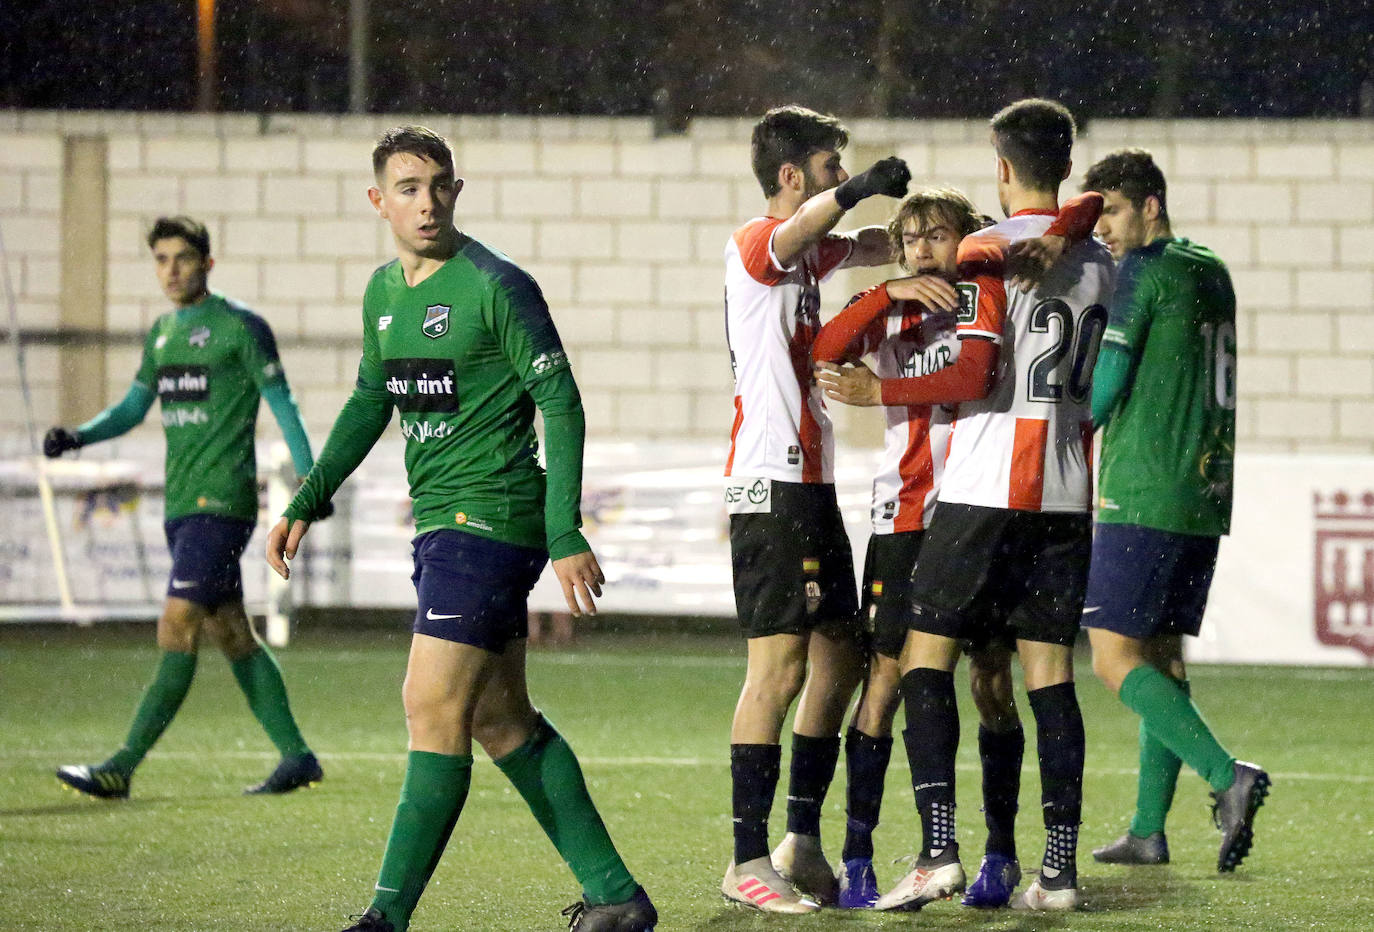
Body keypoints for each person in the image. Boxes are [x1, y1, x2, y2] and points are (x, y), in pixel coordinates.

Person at [266, 125, 654, 932]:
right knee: (499, 718)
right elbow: (371, 402)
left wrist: (564, 529)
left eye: (440, 184)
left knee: (430, 706)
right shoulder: (382, 295)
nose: (427, 201)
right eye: (408, 188)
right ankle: (617, 899)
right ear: (379, 202)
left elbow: (561, 403)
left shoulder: (496, 286)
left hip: (493, 517)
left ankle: (385, 919)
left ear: (457, 192)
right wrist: (309, 496)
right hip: (443, 526)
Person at [842, 99, 1112, 913]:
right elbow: (1089, 217)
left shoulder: (984, 252)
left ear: (999, 165)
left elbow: (970, 377)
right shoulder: (1100, 260)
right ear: (1065, 165)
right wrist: (1074, 217)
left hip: (984, 488)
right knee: (1048, 675)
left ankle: (937, 853)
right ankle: (1058, 870)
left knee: (925, 661)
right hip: (1065, 493)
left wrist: (877, 388)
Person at [43, 215, 324, 799]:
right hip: (180, 506)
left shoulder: (241, 328)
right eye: (160, 260)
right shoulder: (164, 333)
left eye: (182, 258)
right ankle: (297, 757)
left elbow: (283, 403)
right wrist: (78, 436)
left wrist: (311, 481)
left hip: (222, 503)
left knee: (176, 623)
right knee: (234, 636)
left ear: (207, 264)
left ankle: (121, 765)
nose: (170, 270)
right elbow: (131, 407)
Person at [720, 104, 911, 913]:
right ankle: (745, 859)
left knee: (842, 652)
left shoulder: (801, 262)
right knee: (780, 668)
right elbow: (809, 229)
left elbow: (865, 246)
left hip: (810, 482)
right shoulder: (756, 247)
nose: (842, 178)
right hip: (768, 483)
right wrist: (861, 188)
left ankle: (801, 835)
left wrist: (949, 236)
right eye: (832, 166)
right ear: (793, 175)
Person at [1080, 148, 1269, 874]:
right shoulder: (1209, 267)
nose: (1108, 231)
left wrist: (1063, 435)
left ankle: (1229, 778)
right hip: (1205, 489)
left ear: (1150, 204)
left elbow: (1111, 380)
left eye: (1115, 213)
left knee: (1111, 657)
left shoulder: (1145, 272)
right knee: (1161, 654)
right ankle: (1147, 830)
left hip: (1147, 486)